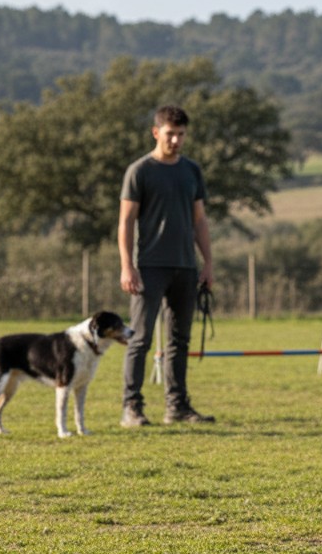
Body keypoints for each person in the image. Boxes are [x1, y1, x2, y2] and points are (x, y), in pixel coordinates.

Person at [118, 104, 216, 427]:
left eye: (181, 135)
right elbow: (126, 222)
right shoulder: (140, 171)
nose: (175, 140)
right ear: (156, 132)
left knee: (179, 341)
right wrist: (127, 267)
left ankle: (178, 407)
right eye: (170, 134)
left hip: (186, 267)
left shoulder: (191, 171)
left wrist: (208, 263)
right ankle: (131, 408)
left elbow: (199, 221)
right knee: (140, 339)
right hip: (148, 266)